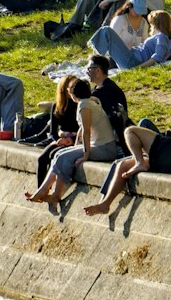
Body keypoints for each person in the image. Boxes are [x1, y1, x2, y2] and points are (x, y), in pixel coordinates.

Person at [24, 71, 130, 203]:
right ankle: (44, 190)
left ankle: (55, 195)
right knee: (59, 154)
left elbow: (86, 131)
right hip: (99, 145)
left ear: (73, 94)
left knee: (64, 156)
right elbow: (82, 129)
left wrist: (85, 155)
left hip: (104, 148)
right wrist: (76, 146)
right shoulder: (89, 102)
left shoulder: (84, 105)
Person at [90, 9, 171, 71]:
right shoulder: (168, 38)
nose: (152, 26)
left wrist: (137, 68)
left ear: (158, 24)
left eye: (153, 23)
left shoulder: (162, 37)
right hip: (132, 56)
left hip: (132, 61)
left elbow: (157, 58)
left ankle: (96, 57)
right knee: (107, 34)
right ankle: (98, 59)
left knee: (106, 30)